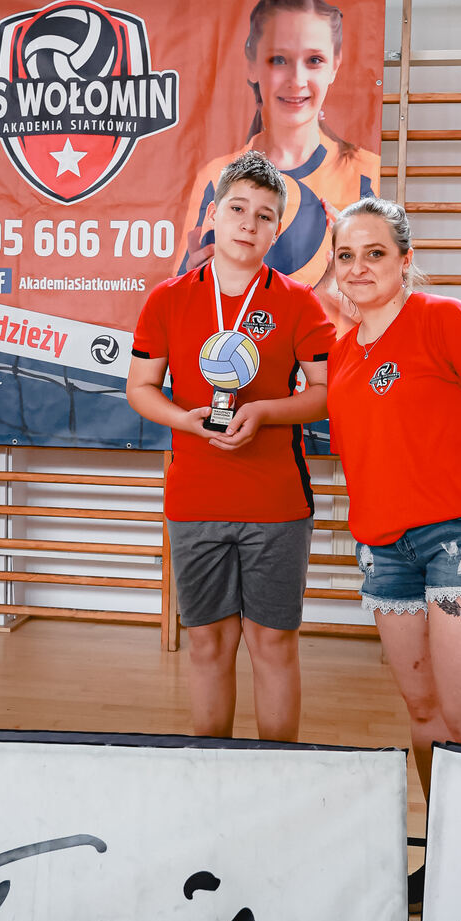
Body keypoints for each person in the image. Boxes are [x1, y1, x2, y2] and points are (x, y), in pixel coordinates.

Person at [326, 196, 461, 903]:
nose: (358, 267)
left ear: (405, 259)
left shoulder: (445, 318)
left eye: (375, 253)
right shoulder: (342, 353)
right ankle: (453, 856)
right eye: (346, 255)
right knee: (424, 714)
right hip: (386, 548)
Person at [128, 150, 336, 742]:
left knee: (273, 643)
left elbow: (326, 394)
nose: (249, 223)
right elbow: (140, 388)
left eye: (265, 215)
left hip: (276, 502)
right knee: (208, 643)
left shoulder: (298, 302)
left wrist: (265, 412)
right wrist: (186, 421)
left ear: (277, 230)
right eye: (238, 209)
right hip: (195, 498)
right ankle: (213, 772)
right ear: (214, 215)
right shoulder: (168, 298)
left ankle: (276, 772)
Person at [177, 0, 380, 320]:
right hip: (240, 353)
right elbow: (185, 310)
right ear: (252, 66)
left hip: (332, 354)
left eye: (314, 60)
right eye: (279, 60)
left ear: (335, 66)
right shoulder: (216, 176)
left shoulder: (365, 174)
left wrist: (336, 284)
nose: (296, 80)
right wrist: (192, 281)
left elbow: (383, 316)